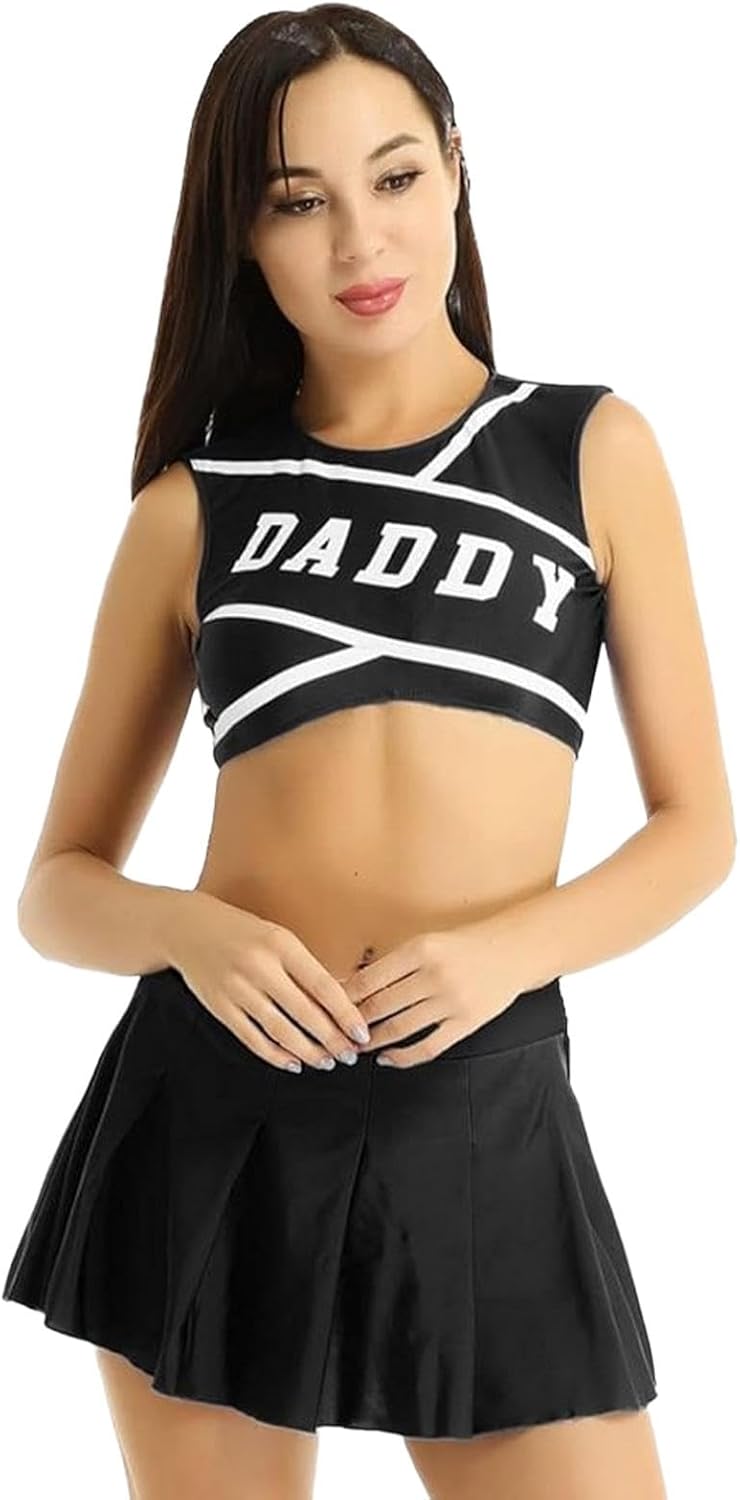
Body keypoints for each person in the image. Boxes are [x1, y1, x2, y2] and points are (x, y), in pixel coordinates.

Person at [3, 6, 735, 1499]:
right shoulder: (193, 508)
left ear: (458, 167)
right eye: (298, 201)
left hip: (484, 1107)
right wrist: (194, 935)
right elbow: (57, 889)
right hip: (210, 1114)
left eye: (395, 177)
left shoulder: (590, 451)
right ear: (244, 233)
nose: (360, 242)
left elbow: (697, 826)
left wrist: (508, 954)